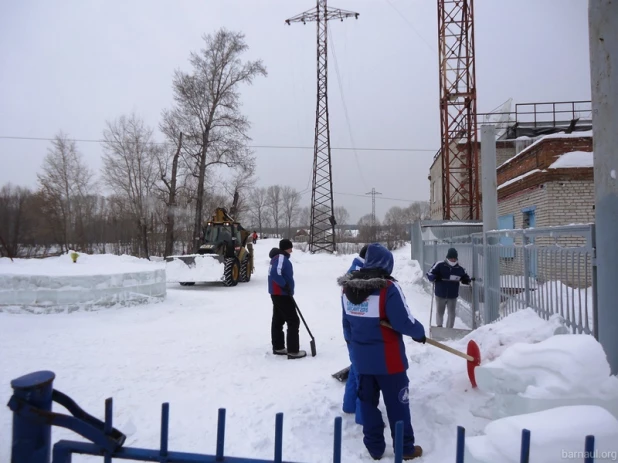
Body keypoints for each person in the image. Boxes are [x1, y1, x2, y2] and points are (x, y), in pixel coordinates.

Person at [338, 243, 425, 460]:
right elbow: (404, 322)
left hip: (362, 362)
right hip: (390, 362)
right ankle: (404, 448)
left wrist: (354, 347)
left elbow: (346, 326)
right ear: (386, 265)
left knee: (367, 405)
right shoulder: (388, 289)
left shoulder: (348, 289)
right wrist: (419, 332)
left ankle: (374, 448)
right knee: (398, 404)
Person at [342, 244, 369, 425]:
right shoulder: (361, 274)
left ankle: (349, 405)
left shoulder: (353, 270)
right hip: (358, 330)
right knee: (363, 375)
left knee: (355, 367)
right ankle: (363, 415)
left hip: (350, 328)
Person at [268, 239, 306, 360]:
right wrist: (284, 285)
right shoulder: (280, 257)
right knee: (293, 320)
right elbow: (275, 273)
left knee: (278, 319)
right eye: (290, 248)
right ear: (286, 248)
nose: (292, 250)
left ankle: (278, 347)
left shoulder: (279, 257)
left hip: (278, 293)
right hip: (281, 293)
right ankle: (293, 351)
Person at [426, 247, 472, 329]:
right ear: (447, 257)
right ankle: (439, 327)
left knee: (452, 314)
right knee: (440, 312)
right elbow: (429, 273)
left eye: (454, 258)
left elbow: (465, 277)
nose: (453, 260)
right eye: (451, 258)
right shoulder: (439, 265)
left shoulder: (460, 268)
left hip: (452, 295)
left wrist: (466, 280)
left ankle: (449, 329)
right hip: (440, 294)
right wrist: (434, 277)